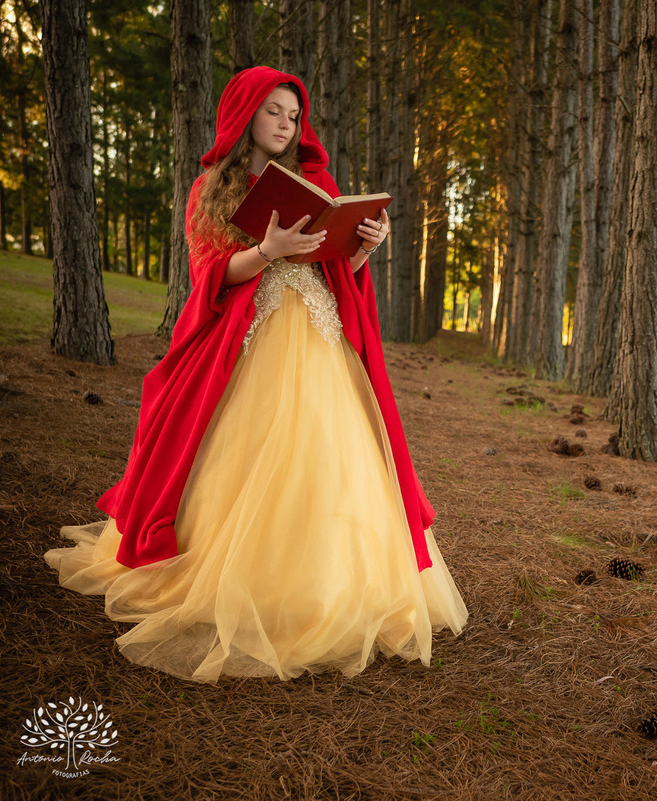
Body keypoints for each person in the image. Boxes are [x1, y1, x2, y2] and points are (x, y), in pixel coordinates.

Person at [44, 66, 468, 684]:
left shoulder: (315, 182)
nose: (285, 124)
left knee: (328, 458)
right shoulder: (212, 188)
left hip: (319, 335)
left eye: (293, 115)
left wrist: (362, 246)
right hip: (253, 336)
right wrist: (268, 250)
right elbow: (210, 274)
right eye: (273, 111)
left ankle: (320, 590)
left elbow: (336, 271)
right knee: (246, 454)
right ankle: (243, 584)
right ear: (244, 114)